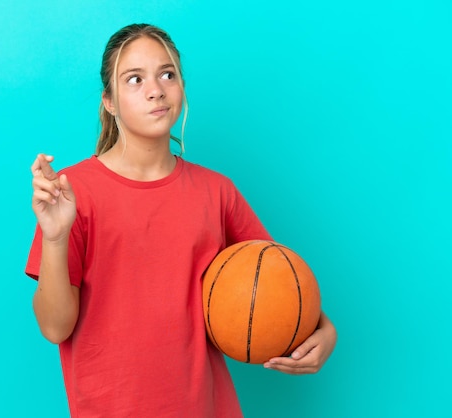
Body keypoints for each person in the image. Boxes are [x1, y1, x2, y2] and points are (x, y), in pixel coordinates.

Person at [26, 23, 337, 417]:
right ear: (109, 101)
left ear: (181, 86)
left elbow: (276, 278)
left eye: (167, 74)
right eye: (134, 79)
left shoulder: (216, 191)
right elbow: (55, 328)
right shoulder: (72, 194)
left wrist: (324, 330)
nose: (156, 89)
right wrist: (55, 238)